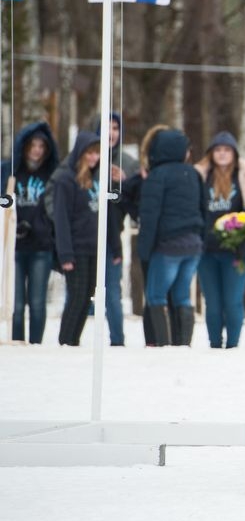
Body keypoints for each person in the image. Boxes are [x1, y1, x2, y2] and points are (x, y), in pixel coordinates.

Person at [138, 129, 204, 347]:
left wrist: (144, 250)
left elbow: (150, 216)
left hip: (168, 246)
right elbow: (203, 208)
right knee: (182, 296)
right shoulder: (193, 174)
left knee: (155, 296)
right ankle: (183, 344)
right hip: (193, 244)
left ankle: (163, 344)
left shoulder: (157, 176)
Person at [194, 131, 245, 348]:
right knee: (212, 303)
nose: (222, 154)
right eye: (218, 150)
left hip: (236, 252)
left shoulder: (244, 177)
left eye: (227, 150)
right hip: (207, 251)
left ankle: (232, 346)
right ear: (211, 153)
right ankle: (214, 344)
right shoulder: (202, 177)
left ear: (234, 154)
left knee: (232, 301)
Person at [1, 122, 59, 344]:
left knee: (37, 302)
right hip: (14, 247)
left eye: (41, 146)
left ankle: (36, 345)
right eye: (33, 145)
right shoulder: (10, 172)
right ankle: (18, 343)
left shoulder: (51, 174)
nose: (37, 150)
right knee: (15, 303)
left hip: (41, 247)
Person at [88, 112, 139, 346]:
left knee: (112, 292)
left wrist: (124, 183)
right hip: (84, 235)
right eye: (106, 128)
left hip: (112, 237)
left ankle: (117, 340)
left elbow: (135, 202)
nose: (111, 133)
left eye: (115, 128)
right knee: (80, 291)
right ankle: (71, 342)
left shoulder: (128, 162)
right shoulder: (85, 157)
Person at [51, 132, 104, 346]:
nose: (93, 158)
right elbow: (61, 219)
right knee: (77, 296)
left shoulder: (96, 178)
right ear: (80, 153)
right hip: (76, 249)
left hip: (93, 248)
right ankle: (66, 340)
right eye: (89, 153)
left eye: (97, 154)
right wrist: (65, 254)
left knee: (87, 296)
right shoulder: (65, 180)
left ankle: (74, 340)